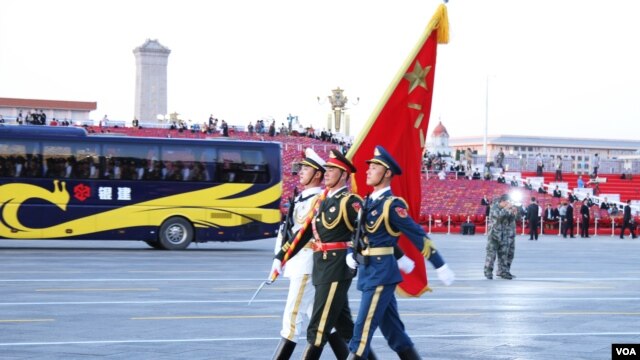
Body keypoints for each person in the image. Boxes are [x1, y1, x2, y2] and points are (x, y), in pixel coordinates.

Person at [346, 146, 455, 359]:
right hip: (369, 272)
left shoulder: (392, 205)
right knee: (394, 333)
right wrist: (351, 251)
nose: (368, 171)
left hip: (380, 274)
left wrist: (440, 265)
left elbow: (418, 235)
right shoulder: (368, 202)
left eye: (374, 167)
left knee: (361, 333)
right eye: (369, 166)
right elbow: (359, 234)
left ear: (387, 173)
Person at [270, 148, 325, 359]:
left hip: (307, 264)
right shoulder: (301, 198)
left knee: (291, 319)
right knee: (321, 321)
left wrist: (281, 257)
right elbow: (287, 232)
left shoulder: (318, 200)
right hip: (296, 263)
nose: (300, 171)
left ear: (318, 174)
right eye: (300, 167)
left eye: (306, 168)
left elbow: (303, 235)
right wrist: (277, 259)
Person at [484, 194, 516, 280]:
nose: (508, 204)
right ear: (503, 201)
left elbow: (510, 220)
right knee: (491, 255)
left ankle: (503, 271)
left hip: (504, 235)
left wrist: (513, 212)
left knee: (504, 255)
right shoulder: (494, 207)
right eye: (507, 202)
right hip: (494, 235)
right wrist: (506, 209)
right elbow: (498, 216)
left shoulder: (506, 209)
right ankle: (488, 272)